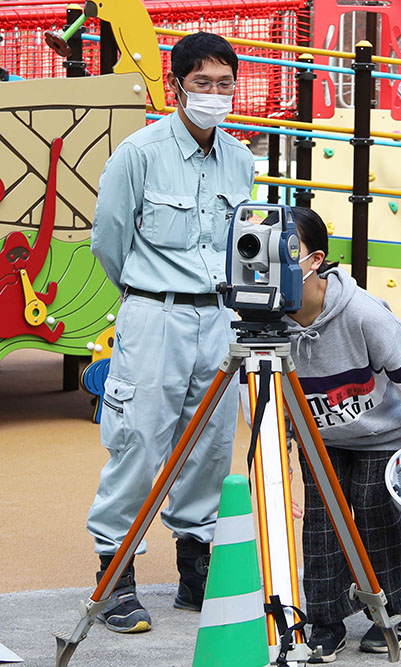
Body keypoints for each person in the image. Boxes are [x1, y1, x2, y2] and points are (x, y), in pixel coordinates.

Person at [87, 32, 254, 633]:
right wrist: (146, 295)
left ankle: (195, 572)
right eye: (202, 83)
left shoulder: (241, 158)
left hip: (220, 317)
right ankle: (115, 574)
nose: (214, 94)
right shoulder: (139, 153)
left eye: (224, 83)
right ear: (176, 85)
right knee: (139, 440)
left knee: (210, 445)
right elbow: (108, 242)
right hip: (154, 314)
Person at [278, 208, 401, 661]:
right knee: (322, 527)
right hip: (319, 438)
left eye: (288, 252)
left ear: (315, 259)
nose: (276, 265)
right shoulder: (271, 322)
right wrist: (278, 453)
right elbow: (263, 394)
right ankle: (325, 620)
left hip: (379, 435)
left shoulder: (362, 313)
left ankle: (397, 612)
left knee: (373, 512)